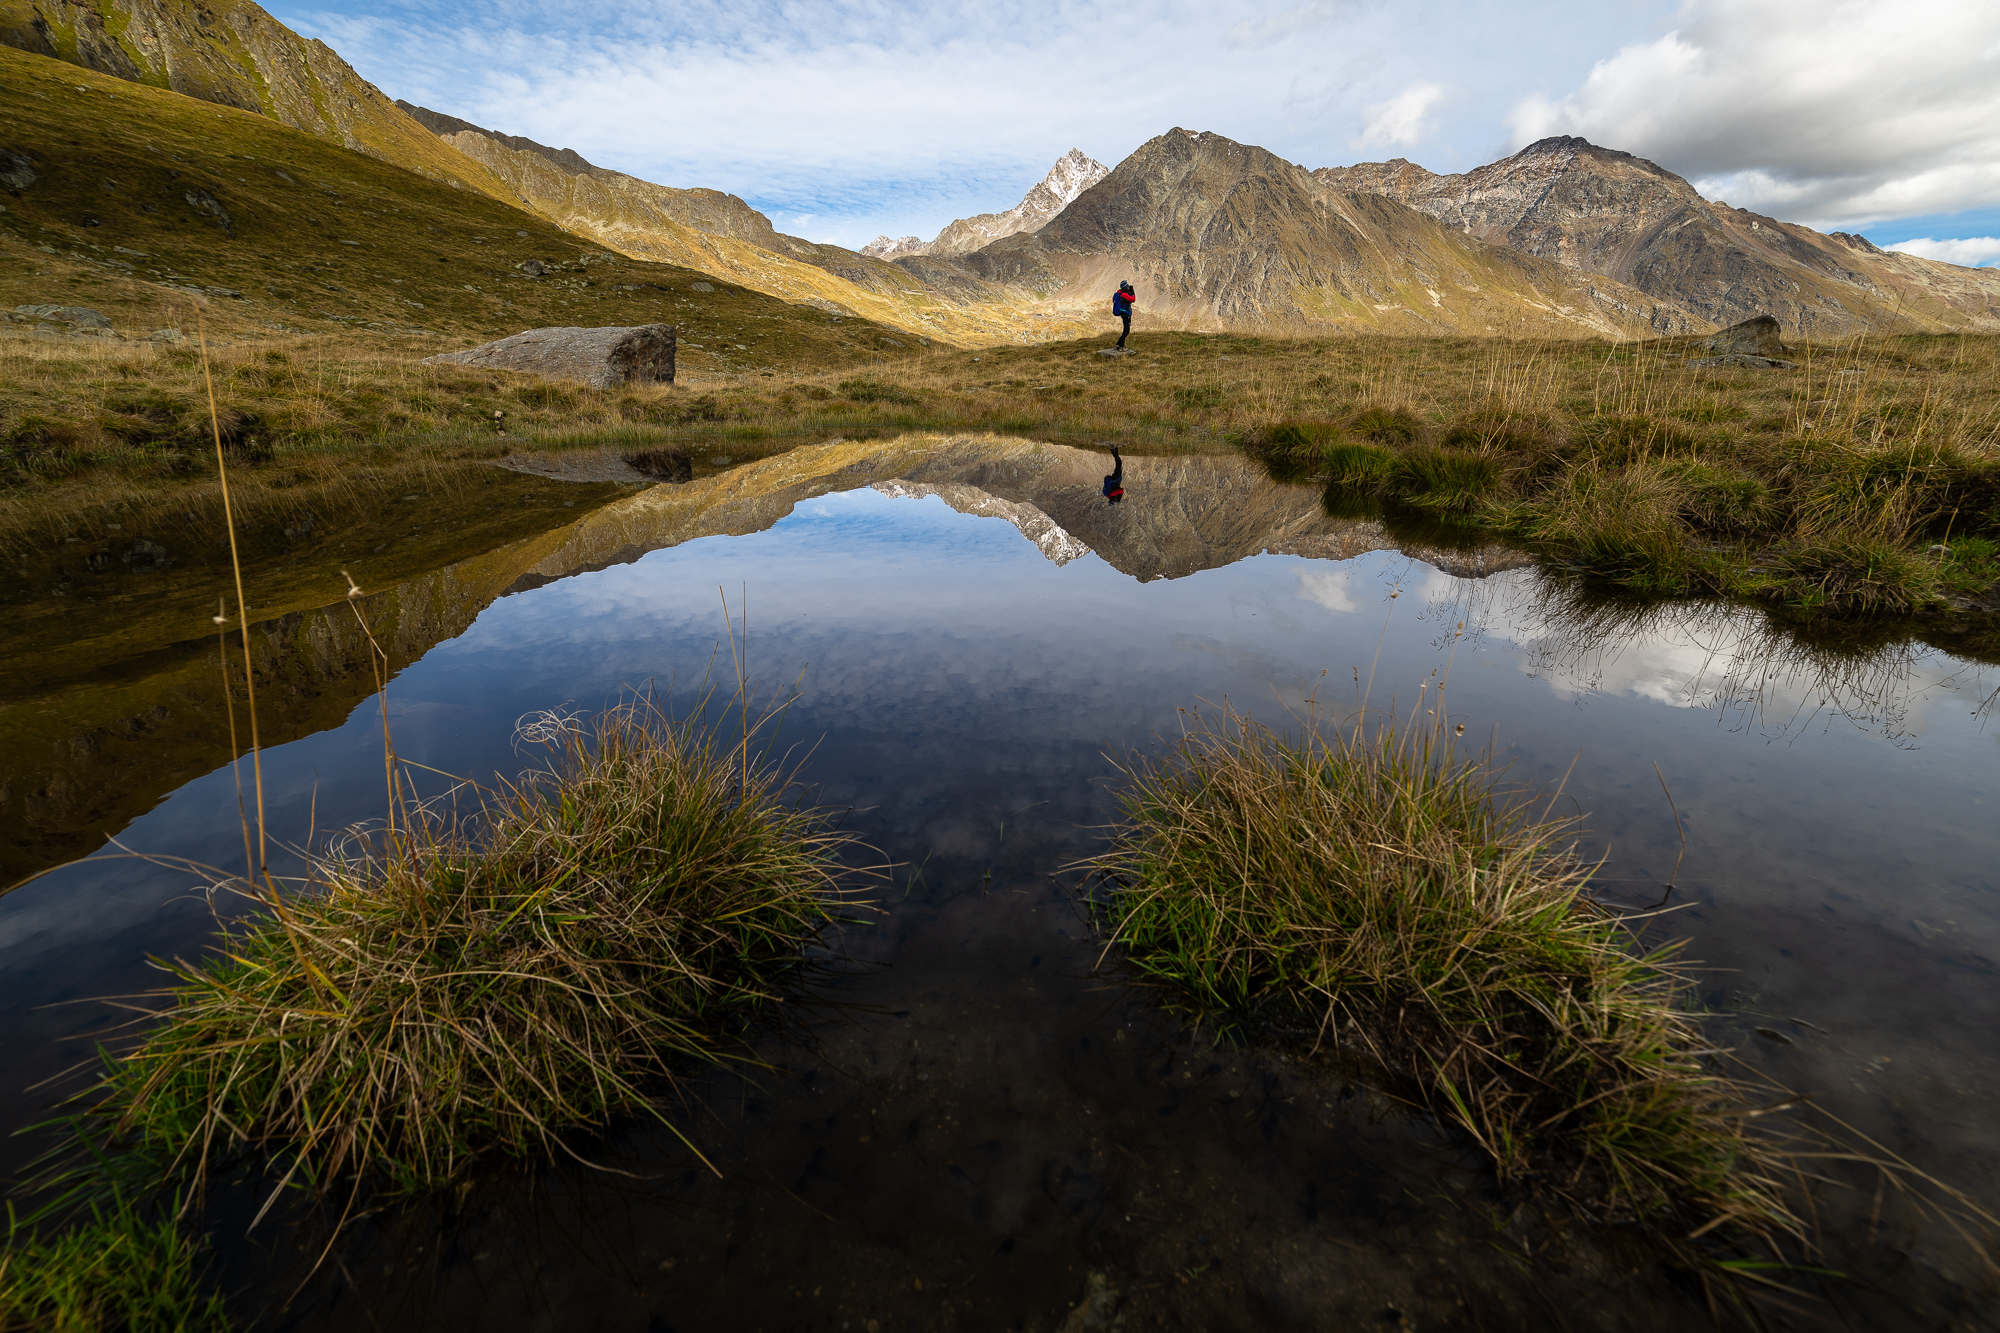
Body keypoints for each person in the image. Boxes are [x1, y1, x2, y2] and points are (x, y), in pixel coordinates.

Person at [1111, 281, 1135, 349]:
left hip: (1123, 313)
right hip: (1126, 313)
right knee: (1126, 331)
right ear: (1125, 287)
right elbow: (1133, 299)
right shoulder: (1123, 295)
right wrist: (1132, 291)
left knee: (1125, 330)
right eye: (1127, 286)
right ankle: (1121, 345)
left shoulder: (1119, 294)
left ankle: (1118, 345)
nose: (1128, 287)